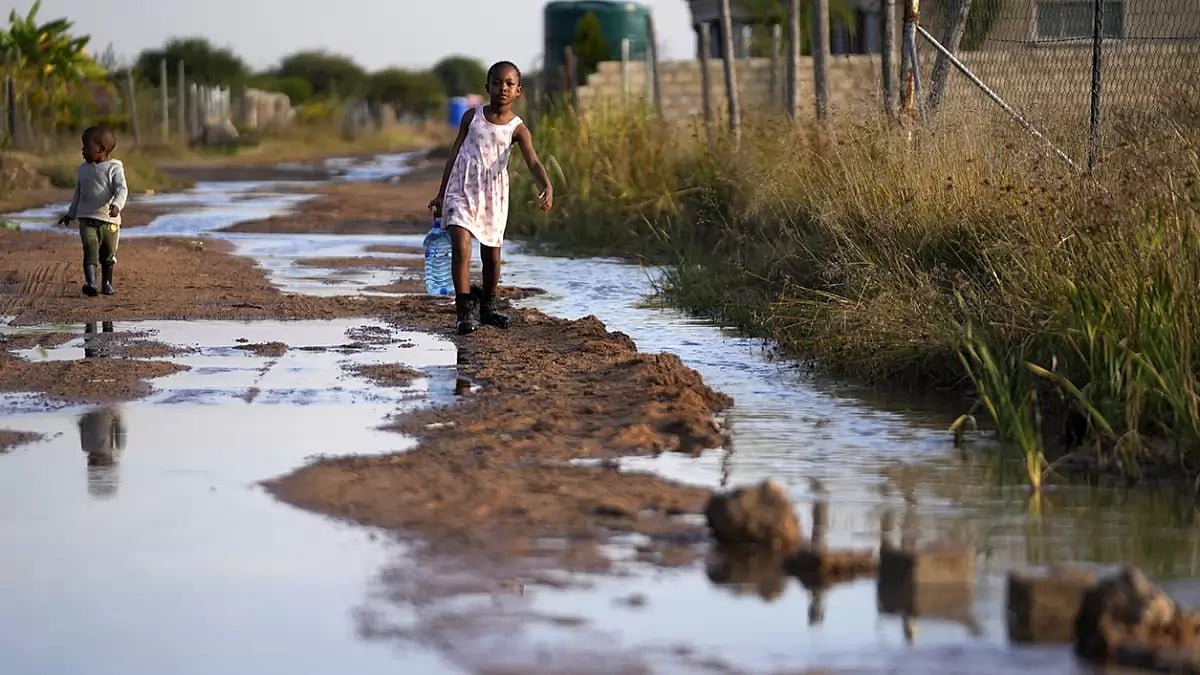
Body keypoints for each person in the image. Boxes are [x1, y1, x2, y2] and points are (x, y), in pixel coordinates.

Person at [428, 60, 553, 335]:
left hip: (493, 195)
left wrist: (546, 184)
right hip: (461, 188)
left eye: (509, 84)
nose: (503, 88)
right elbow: (454, 155)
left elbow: (533, 161)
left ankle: (487, 305)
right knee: (461, 246)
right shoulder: (471, 117)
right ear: (487, 87)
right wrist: (441, 194)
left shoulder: (518, 128)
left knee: (492, 257)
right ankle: (463, 311)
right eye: (497, 83)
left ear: (519, 90)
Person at [57, 125, 129, 297]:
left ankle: (107, 283)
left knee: (107, 255)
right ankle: (91, 283)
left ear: (101, 149)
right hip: (86, 218)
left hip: (109, 221)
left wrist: (117, 205)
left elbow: (122, 189)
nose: (82, 150)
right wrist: (71, 213)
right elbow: (78, 194)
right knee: (90, 250)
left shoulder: (114, 168)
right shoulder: (83, 169)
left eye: (86, 147)